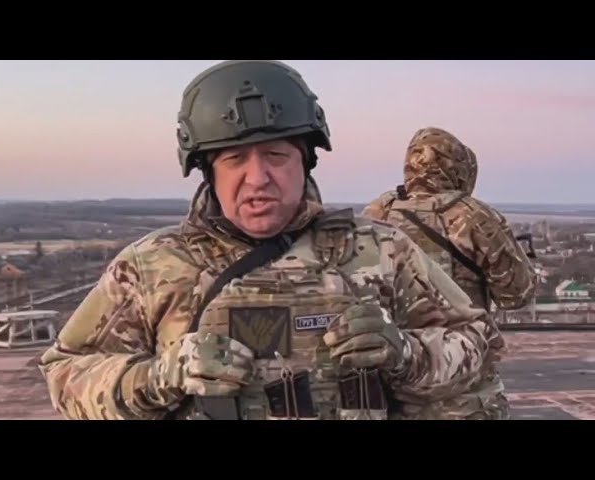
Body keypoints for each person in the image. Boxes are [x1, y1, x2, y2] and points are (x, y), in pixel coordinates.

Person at [38, 60, 508, 420]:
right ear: (207, 171)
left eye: (276, 155)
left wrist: (404, 352)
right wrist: (160, 376)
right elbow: (65, 374)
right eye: (234, 159)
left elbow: (477, 342)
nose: (258, 177)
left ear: (305, 161)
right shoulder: (152, 267)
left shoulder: (381, 251)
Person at [361, 127, 537, 314]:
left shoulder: (377, 212)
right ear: (455, 167)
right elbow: (516, 295)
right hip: (459, 331)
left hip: (390, 331)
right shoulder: (474, 215)